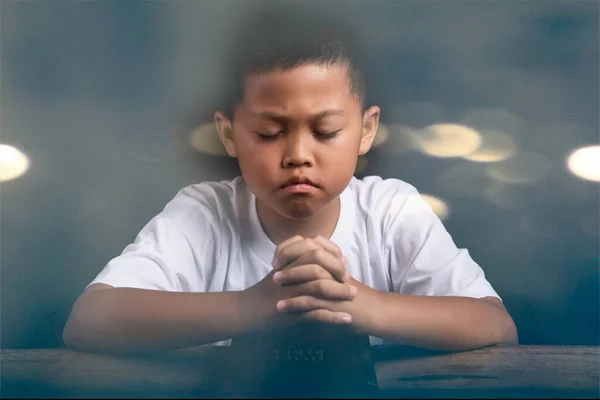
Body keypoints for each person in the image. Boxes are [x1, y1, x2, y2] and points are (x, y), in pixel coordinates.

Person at [63, 5, 518, 355]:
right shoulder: (205, 213)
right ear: (229, 134)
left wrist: (357, 303)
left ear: (365, 130)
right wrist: (254, 306)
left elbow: (494, 325)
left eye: (325, 132)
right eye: (269, 133)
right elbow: (89, 321)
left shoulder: (391, 211)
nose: (298, 156)